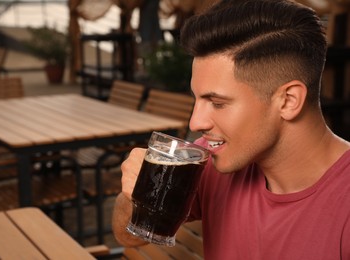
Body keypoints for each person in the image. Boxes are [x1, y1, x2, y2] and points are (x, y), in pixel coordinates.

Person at [112, 0, 350, 259]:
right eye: (197, 99)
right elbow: (126, 236)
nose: (195, 123)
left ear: (289, 100)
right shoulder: (206, 163)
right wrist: (136, 195)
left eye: (217, 103)